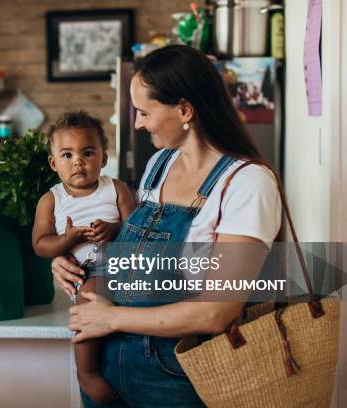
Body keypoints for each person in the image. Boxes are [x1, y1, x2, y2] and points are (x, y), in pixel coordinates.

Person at [51, 45, 283, 407]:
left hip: (178, 373)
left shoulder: (247, 183)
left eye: (144, 112)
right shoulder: (159, 164)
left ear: (185, 110)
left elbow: (216, 312)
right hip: (110, 364)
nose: (138, 123)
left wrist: (111, 317)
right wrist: (70, 262)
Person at [32, 111, 136, 405]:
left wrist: (115, 229)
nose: (78, 161)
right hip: (85, 271)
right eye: (67, 154)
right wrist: (68, 239)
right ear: (54, 163)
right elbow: (40, 244)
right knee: (91, 299)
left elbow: (135, 230)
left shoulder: (116, 189)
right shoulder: (52, 199)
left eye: (87, 152)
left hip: (123, 264)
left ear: (103, 158)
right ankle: (87, 372)